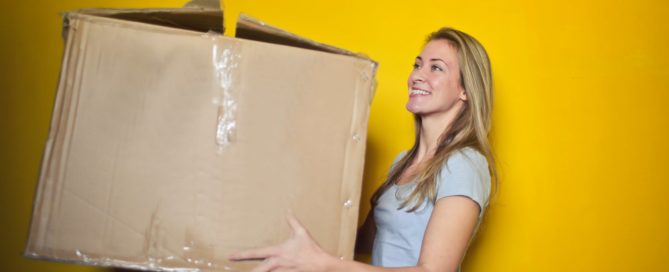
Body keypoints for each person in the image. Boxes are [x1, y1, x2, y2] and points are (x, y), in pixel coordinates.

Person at [229, 27, 495, 272]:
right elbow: (363, 241)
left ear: (466, 91)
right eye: (417, 65)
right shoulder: (403, 162)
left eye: (436, 68)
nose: (417, 76)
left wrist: (323, 264)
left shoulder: (464, 164)